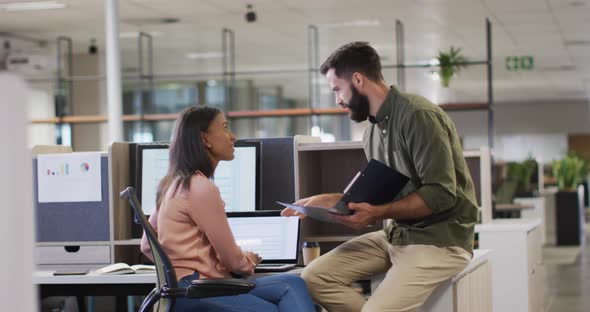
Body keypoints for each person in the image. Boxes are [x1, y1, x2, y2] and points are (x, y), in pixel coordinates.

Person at [282, 42, 478, 312]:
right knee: (314, 278)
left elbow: (441, 194)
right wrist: (328, 201)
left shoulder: (418, 116)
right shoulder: (372, 134)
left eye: (337, 89)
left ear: (358, 80)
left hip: (439, 241)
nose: (337, 100)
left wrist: (375, 214)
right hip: (397, 236)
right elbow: (381, 198)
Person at [141, 106, 315, 312]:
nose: (232, 137)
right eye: (225, 128)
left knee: (292, 284)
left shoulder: (172, 184)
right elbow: (233, 261)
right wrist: (248, 261)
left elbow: (145, 245)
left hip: (183, 289)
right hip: (197, 291)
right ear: (205, 138)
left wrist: (177, 271)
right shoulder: (200, 187)